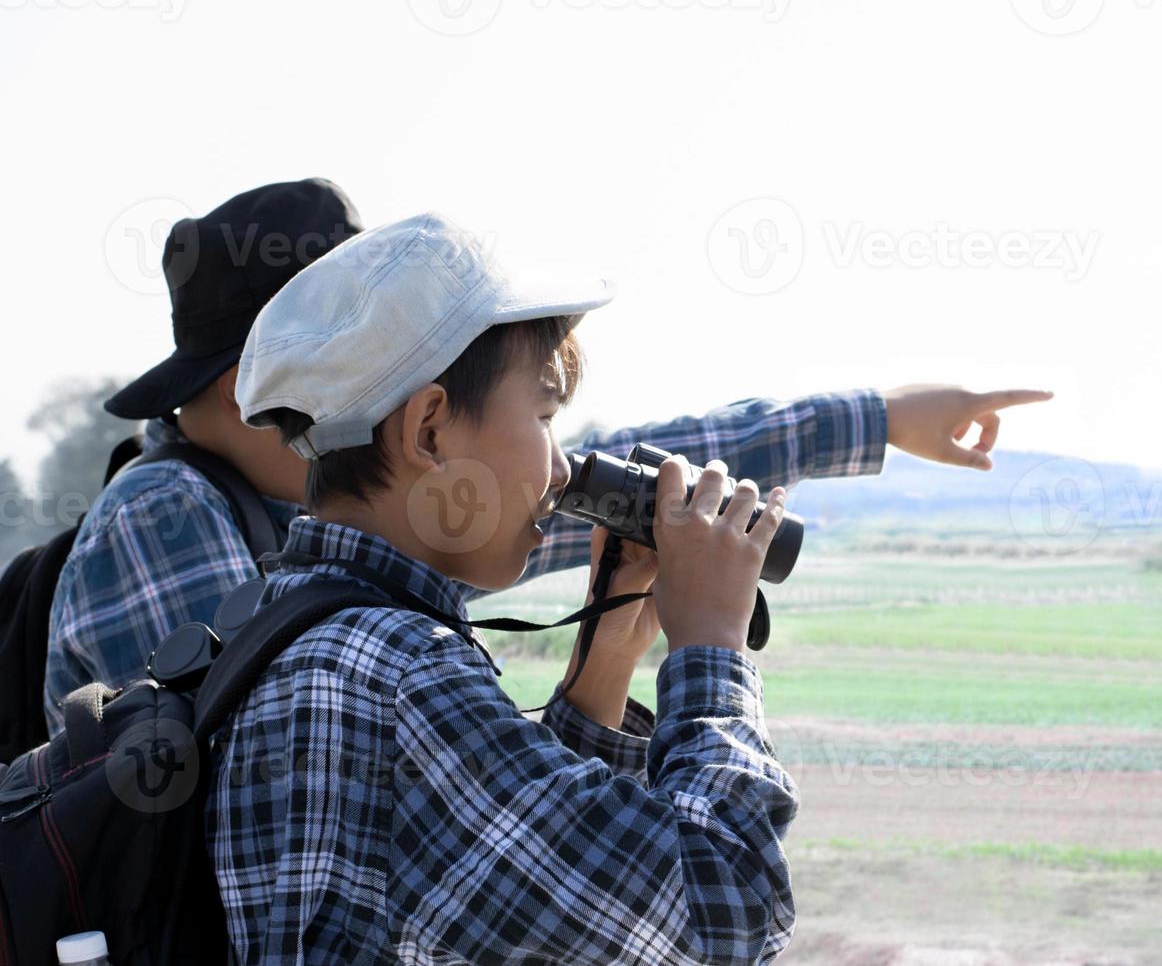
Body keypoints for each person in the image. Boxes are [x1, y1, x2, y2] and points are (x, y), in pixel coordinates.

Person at [47, 179, 1046, 734]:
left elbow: (579, 470)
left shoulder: (323, 550)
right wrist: (707, 653)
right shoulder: (168, 521)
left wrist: (868, 417)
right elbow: (709, 897)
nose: (556, 466)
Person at [215, 211, 839, 960]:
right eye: (545, 414)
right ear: (430, 433)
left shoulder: (295, 628)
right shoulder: (400, 677)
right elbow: (724, 918)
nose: (563, 469)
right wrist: (711, 649)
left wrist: (605, 661)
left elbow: (526, 899)